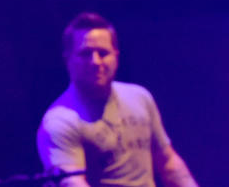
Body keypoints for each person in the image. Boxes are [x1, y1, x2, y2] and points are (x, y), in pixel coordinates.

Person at [36, 13, 199, 187]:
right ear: (68, 59)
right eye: (85, 53)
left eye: (103, 53)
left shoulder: (140, 98)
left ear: (116, 56)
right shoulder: (59, 122)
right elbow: (72, 182)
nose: (95, 61)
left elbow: (167, 161)